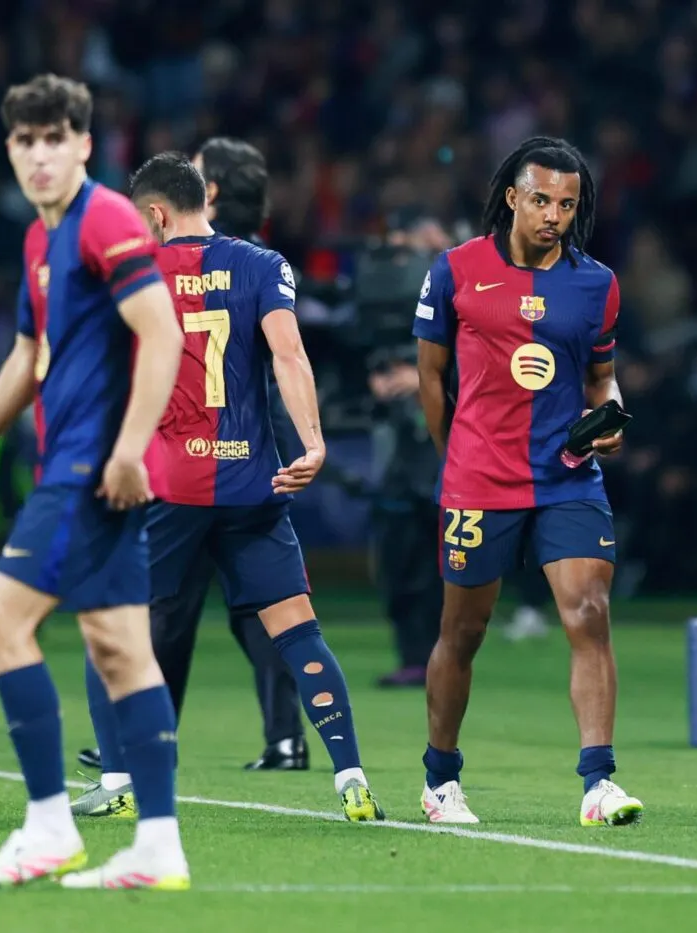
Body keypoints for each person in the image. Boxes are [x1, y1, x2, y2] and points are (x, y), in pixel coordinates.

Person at [0, 74, 189, 890]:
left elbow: (163, 333)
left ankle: (47, 827)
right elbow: (25, 357)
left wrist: (130, 448)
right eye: (25, 141)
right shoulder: (42, 239)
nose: (40, 155)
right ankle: (158, 845)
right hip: (81, 463)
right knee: (121, 650)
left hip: (88, 466)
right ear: (10, 152)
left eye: (54, 138)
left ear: (83, 144)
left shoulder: (105, 219)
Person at [117, 150, 384, 821]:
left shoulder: (136, 270)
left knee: (127, 625)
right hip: (251, 481)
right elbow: (290, 355)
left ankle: (123, 777)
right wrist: (313, 443)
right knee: (297, 628)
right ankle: (351, 773)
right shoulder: (265, 265)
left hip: (172, 484)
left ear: (156, 214)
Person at [412, 135, 643, 826]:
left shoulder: (596, 284)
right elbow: (431, 377)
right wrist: (455, 457)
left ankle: (599, 782)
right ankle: (440, 779)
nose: (554, 215)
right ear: (512, 197)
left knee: (589, 613)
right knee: (463, 632)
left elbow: (602, 378)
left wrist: (611, 416)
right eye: (541, 200)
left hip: (567, 477)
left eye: (567, 205)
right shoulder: (456, 270)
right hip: (479, 481)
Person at [72, 138, 305, 808]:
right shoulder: (260, 263)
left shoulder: (165, 264)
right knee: (260, 605)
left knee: (156, 605)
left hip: (190, 454)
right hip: (248, 452)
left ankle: (139, 746)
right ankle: (289, 735)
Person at [365, 343, 441, 687]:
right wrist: (379, 395)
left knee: (433, 584)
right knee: (398, 583)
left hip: (439, 500)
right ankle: (413, 660)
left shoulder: (448, 396)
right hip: (397, 501)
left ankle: (433, 661)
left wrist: (427, 382)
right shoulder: (394, 409)